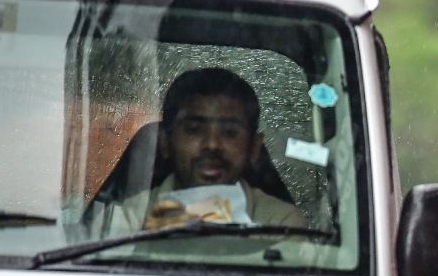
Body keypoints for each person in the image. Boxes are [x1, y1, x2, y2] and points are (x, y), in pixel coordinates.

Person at [103, 68, 306, 232]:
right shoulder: (126, 219)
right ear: (165, 142)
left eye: (229, 132)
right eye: (194, 130)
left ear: (254, 147)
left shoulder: (281, 223)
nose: (212, 145)